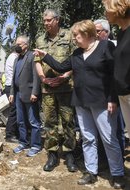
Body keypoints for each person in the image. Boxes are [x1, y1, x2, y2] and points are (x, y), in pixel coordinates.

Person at [34, 19, 125, 189]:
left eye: (76, 35)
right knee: (88, 139)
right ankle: (91, 172)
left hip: (103, 101)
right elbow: (60, 67)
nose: (74, 38)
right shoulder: (76, 54)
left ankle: (118, 174)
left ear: (87, 34)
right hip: (81, 102)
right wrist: (45, 56)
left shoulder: (105, 47)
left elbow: (114, 74)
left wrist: (113, 98)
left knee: (108, 139)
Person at [35, 9, 77, 172]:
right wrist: (42, 78)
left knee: (68, 121)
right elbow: (37, 61)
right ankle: (52, 154)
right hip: (47, 89)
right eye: (44, 20)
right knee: (49, 122)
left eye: (48, 20)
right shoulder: (40, 39)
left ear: (57, 20)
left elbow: (76, 59)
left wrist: (64, 76)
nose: (45, 23)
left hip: (65, 87)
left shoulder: (68, 36)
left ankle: (69, 154)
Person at [9, 35, 42, 157]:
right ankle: (23, 142)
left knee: (33, 121)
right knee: (20, 121)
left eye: (19, 44)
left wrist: (35, 92)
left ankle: (36, 145)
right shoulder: (17, 59)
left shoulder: (32, 56)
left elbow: (36, 76)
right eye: (16, 43)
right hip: (18, 94)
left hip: (29, 94)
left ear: (26, 45)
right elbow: (14, 78)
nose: (16, 46)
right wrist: (12, 93)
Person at [103, 0, 130, 144]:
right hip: (123, 94)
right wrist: (114, 97)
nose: (105, 13)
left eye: (107, 9)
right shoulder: (121, 34)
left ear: (117, 9)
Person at [4, 50, 19, 142]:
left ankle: (14, 132)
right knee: (13, 111)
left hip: (9, 86)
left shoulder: (11, 56)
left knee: (15, 111)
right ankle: (9, 134)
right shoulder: (14, 58)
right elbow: (16, 74)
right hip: (11, 87)